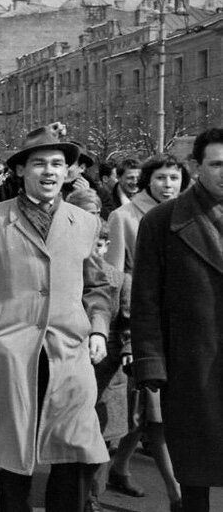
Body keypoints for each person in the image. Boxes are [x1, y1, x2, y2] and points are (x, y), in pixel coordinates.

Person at [0, 126, 114, 512]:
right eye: (39, 163)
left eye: (58, 164)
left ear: (68, 172)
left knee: (73, 447)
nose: (49, 172)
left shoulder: (85, 221)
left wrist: (98, 330)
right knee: (14, 451)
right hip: (13, 350)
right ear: (21, 170)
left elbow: (97, 285)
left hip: (69, 351)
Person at [131, 127, 223, 512]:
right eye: (217, 164)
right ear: (195, 166)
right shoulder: (162, 221)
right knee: (195, 472)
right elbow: (146, 299)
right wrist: (150, 361)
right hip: (192, 364)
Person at [105, 154, 188, 511]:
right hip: (141, 325)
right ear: (147, 182)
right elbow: (114, 276)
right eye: (160, 178)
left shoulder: (192, 214)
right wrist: (126, 333)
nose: (167, 185)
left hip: (184, 327)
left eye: (174, 177)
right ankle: (176, 494)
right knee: (152, 414)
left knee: (143, 417)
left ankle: (119, 468)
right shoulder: (123, 217)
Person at [64, 189, 128, 512]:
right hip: (75, 366)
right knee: (79, 441)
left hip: (109, 372)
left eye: (102, 244)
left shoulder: (118, 278)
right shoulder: (66, 270)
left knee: (107, 439)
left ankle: (93, 495)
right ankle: (84, 497)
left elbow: (128, 317)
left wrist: (127, 348)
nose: (97, 249)